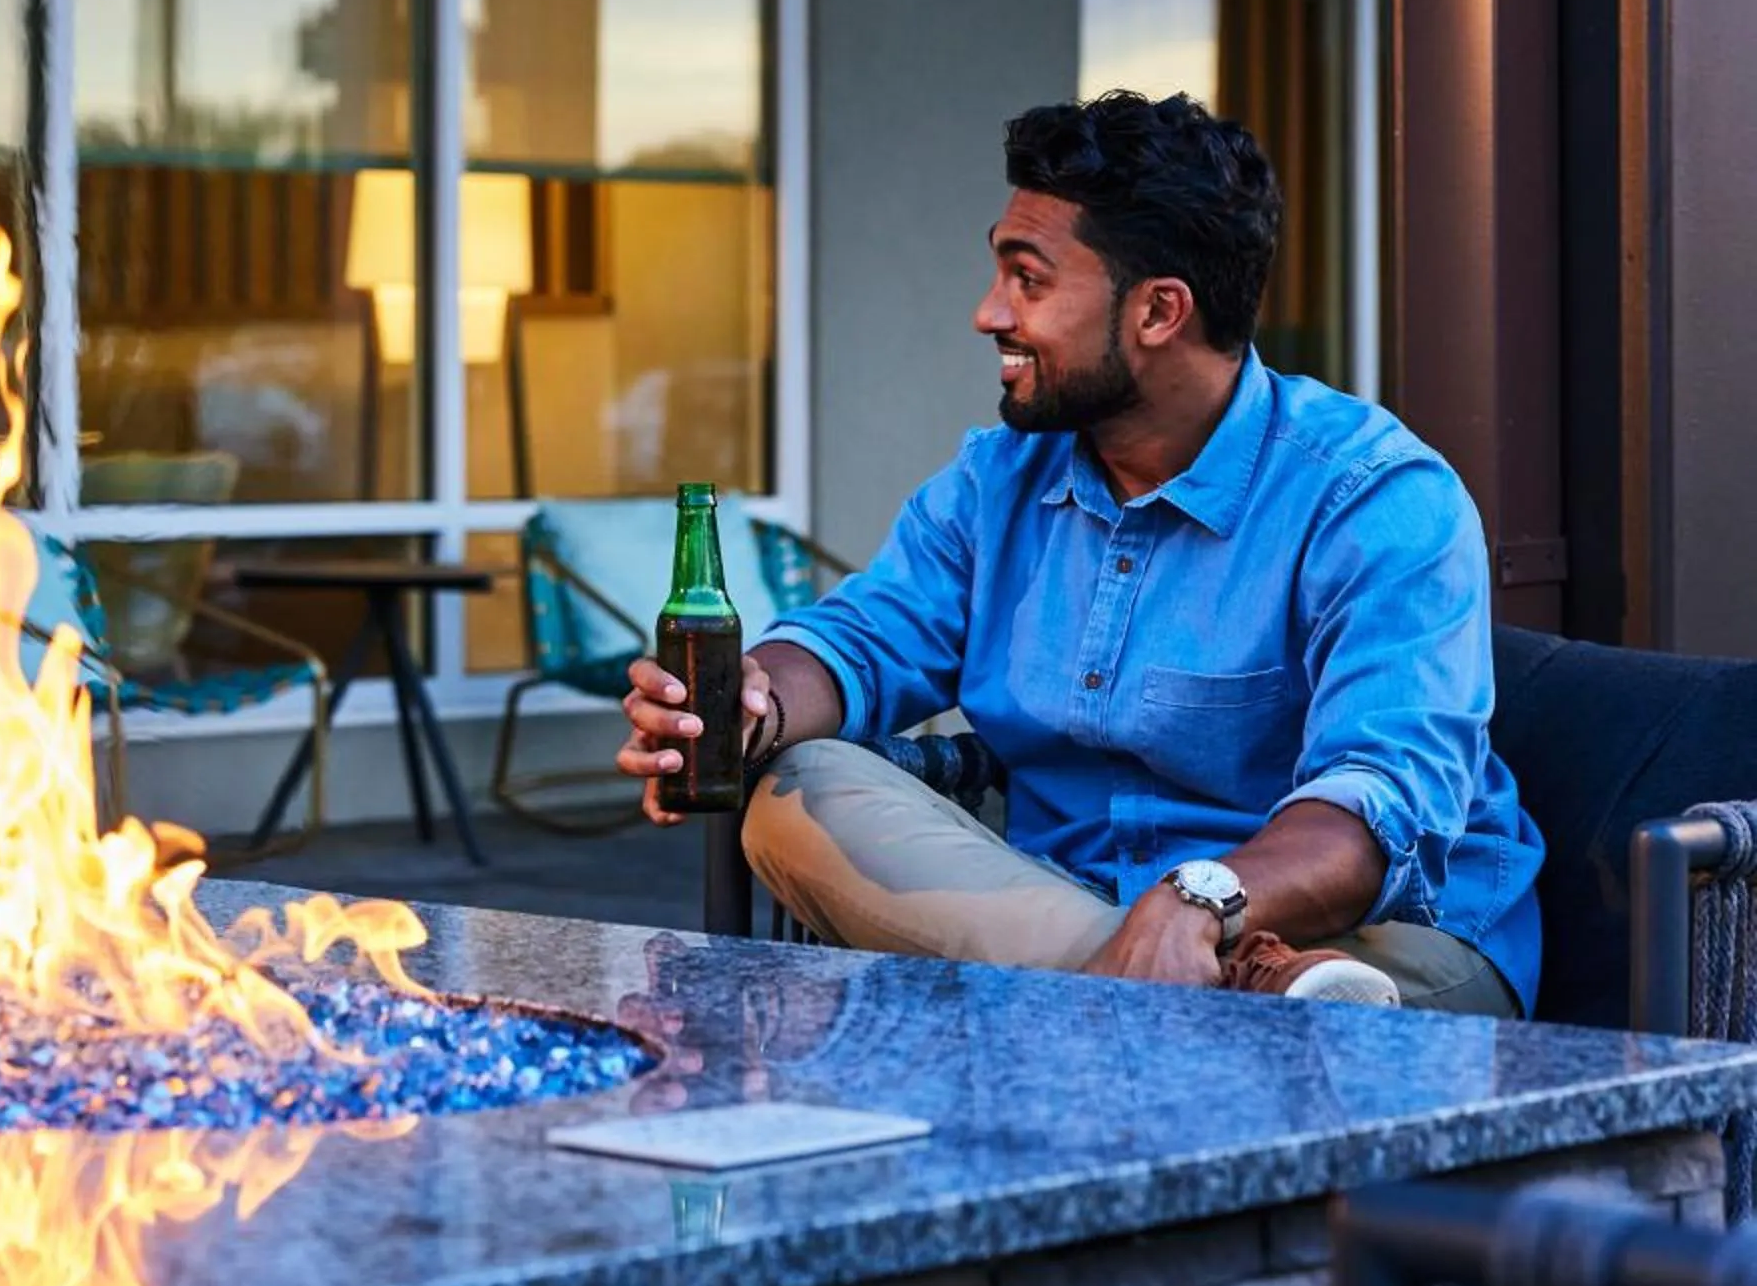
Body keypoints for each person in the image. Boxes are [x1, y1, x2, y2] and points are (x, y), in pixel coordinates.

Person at [615, 93, 1543, 1016]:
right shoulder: (997, 481)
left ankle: (1135, 998)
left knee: (1341, 1015)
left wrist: (1199, 902)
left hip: (1371, 944)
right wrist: (750, 703)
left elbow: (1378, 807)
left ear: (1158, 311)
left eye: (1029, 280)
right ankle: (1184, 1000)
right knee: (799, 787)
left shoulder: (1373, 498)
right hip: (1124, 926)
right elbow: (859, 643)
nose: (989, 313)